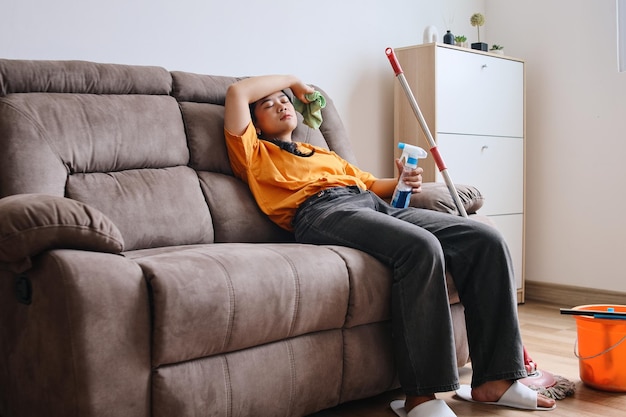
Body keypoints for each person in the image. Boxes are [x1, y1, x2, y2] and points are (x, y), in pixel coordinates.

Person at [223, 75, 556, 417]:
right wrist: (293, 83)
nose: (281, 104)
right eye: (268, 104)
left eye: (285, 101)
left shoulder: (321, 153)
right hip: (320, 211)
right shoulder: (254, 151)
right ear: (257, 125)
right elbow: (237, 92)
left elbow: (369, 184)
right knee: (421, 248)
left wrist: (401, 181)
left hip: (368, 202)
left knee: (485, 239)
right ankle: (421, 398)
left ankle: (496, 381)